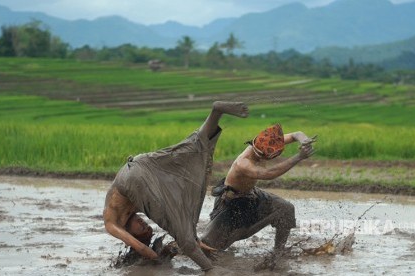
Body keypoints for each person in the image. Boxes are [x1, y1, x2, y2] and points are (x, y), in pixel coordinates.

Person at [103, 101, 249, 272]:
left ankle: (211, 270)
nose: (144, 223)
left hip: (131, 178)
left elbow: (141, 248)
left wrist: (159, 261)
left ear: (132, 233)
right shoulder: (133, 206)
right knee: (188, 150)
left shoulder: (111, 223)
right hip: (138, 163)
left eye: (141, 228)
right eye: (146, 226)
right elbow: (176, 211)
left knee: (182, 236)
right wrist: (197, 242)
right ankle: (216, 111)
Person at [201, 123, 316, 253]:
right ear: (263, 154)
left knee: (286, 209)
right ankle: (176, 247)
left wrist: (304, 140)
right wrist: (299, 157)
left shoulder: (267, 143)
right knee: (208, 246)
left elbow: (296, 134)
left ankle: (279, 251)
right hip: (232, 202)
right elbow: (269, 174)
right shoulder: (244, 163)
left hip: (251, 193)